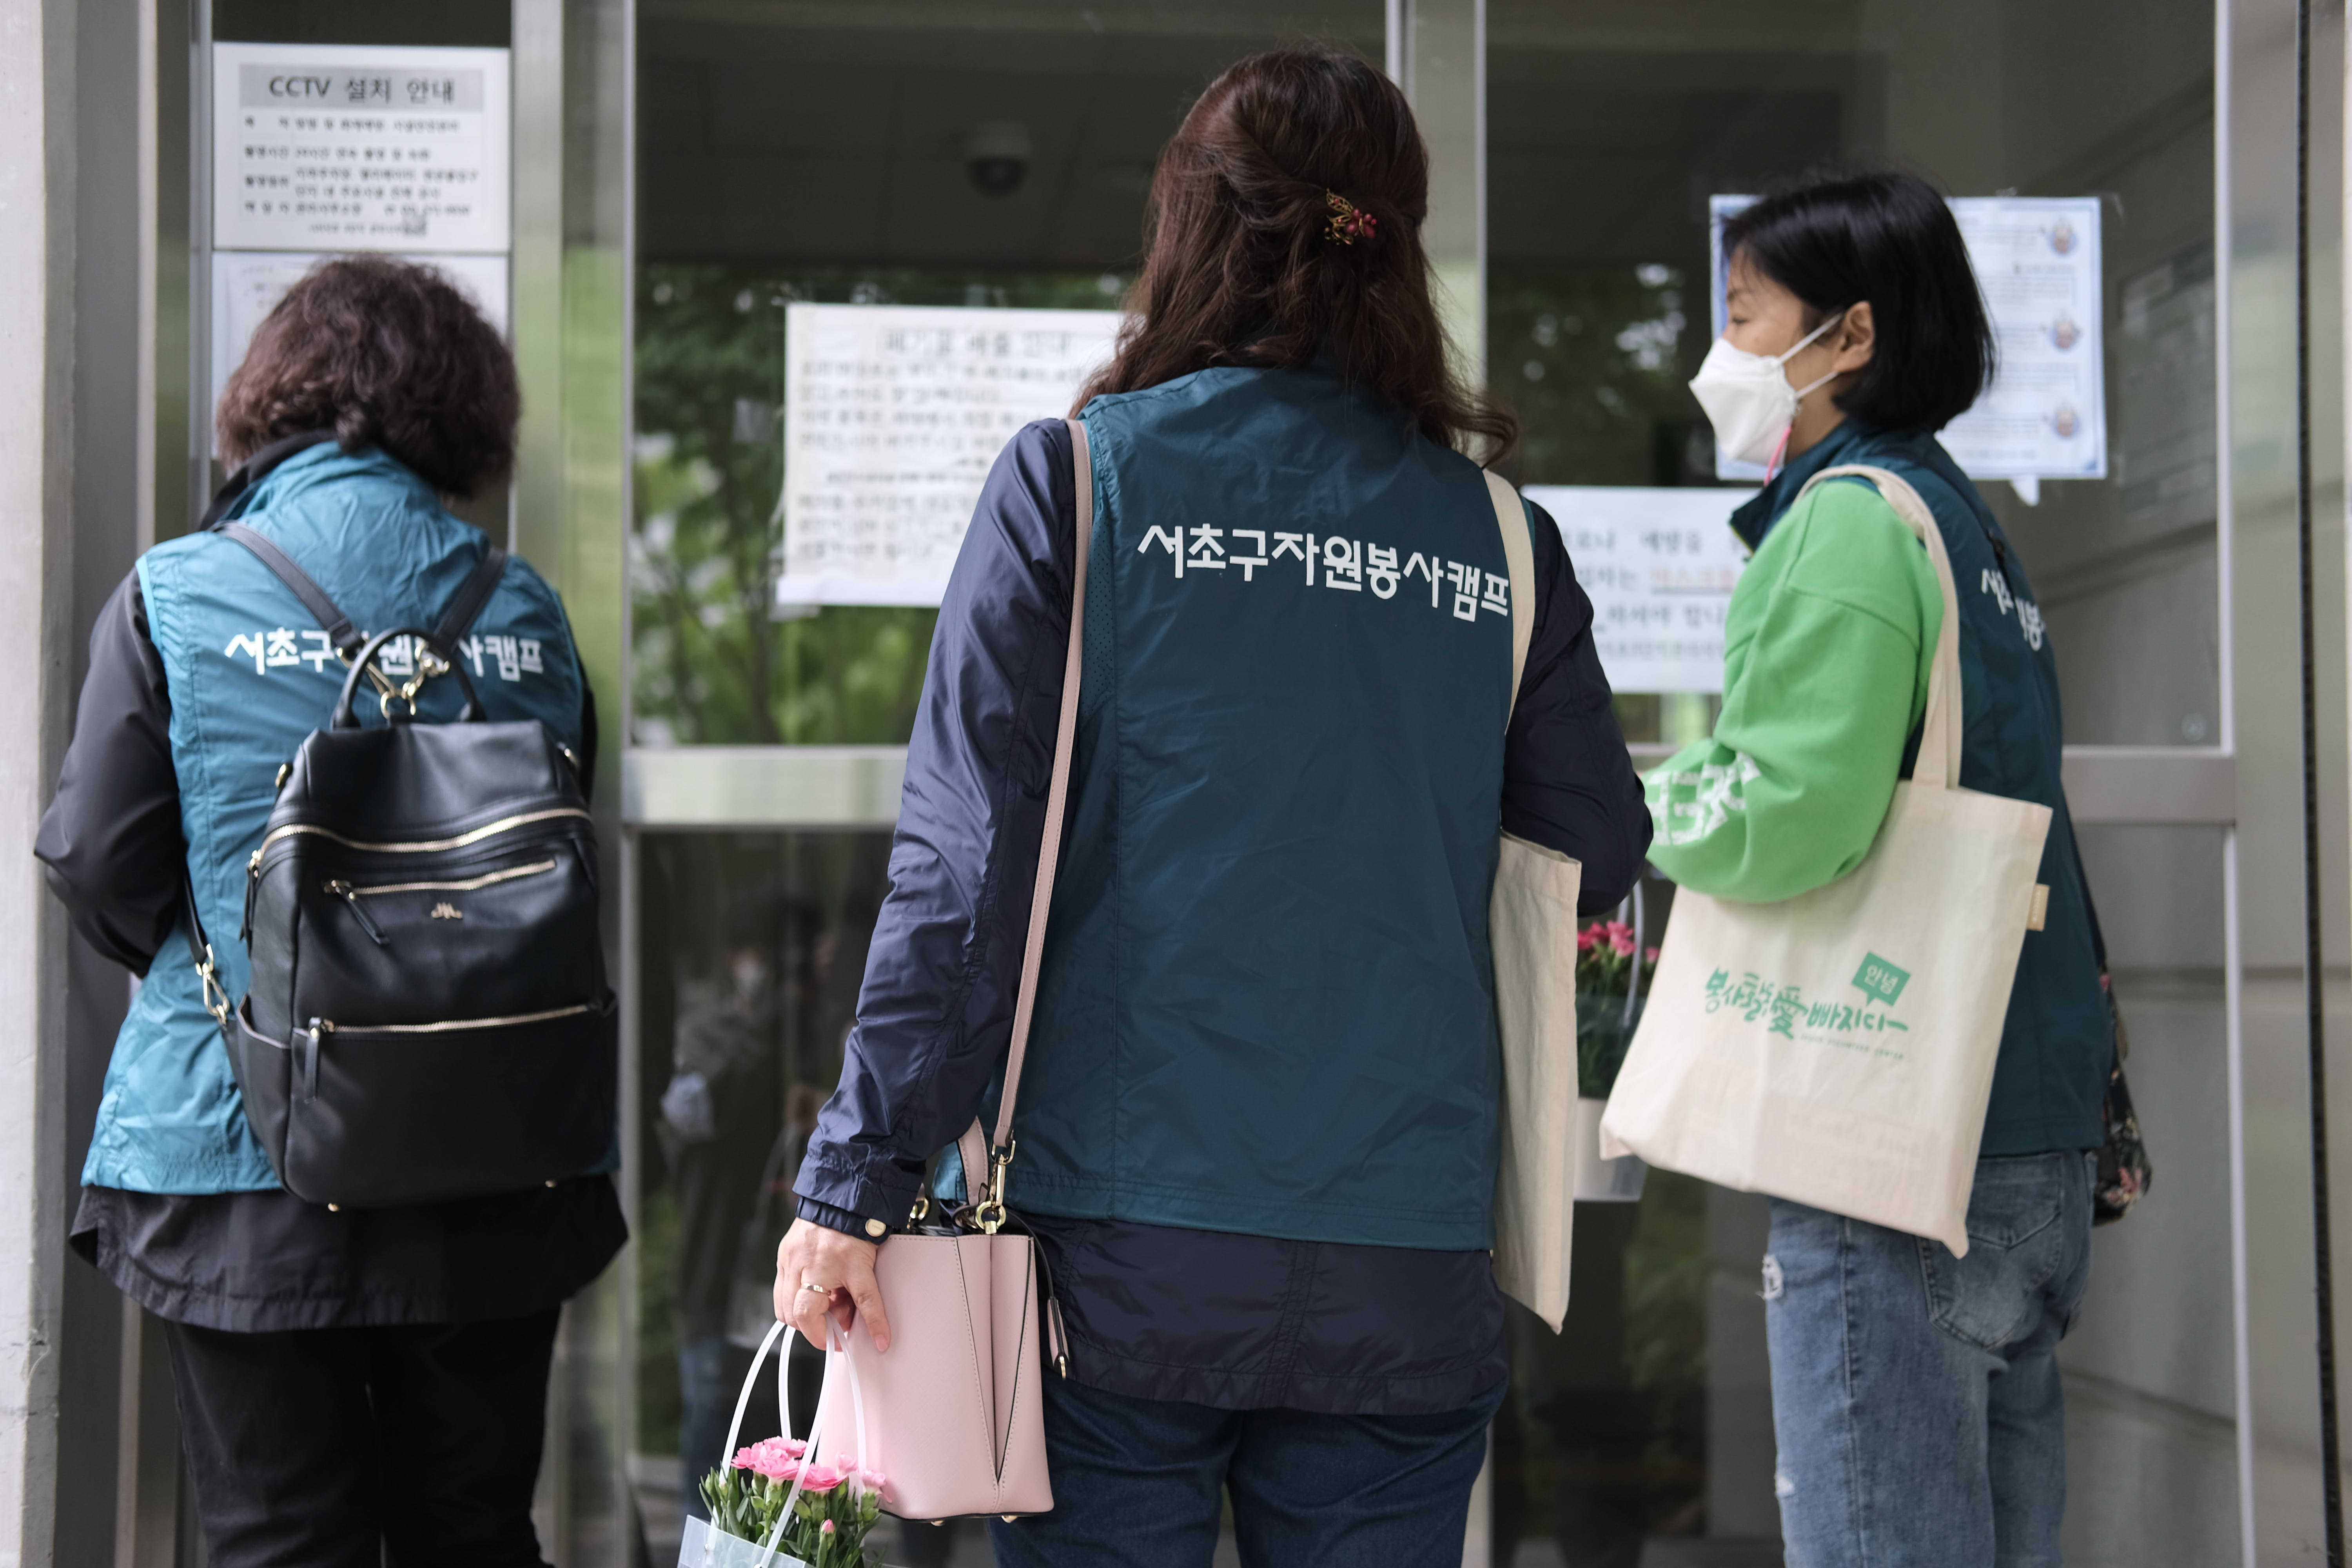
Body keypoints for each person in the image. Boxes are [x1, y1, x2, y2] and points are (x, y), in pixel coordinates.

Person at [773, 46, 1652, 1568]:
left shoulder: (1078, 485)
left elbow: (964, 877)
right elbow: (1598, 845)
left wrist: (855, 1183)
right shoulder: (1503, 541)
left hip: (1117, 1268)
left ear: (1192, 224)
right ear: (1396, 246)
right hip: (1406, 1256)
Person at [36, 256, 624, 1568]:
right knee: (473, 1534)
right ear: (465, 413)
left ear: (273, 394)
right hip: (496, 1148)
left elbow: (99, 859)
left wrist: (238, 966)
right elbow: (560, 850)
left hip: (244, 1155)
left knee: (279, 1542)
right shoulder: (523, 607)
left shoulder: (179, 591)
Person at [1647, 171, 2109, 1562]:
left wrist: (1626, 801)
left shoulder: (1849, 520)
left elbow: (1790, 810)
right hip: (2029, 1138)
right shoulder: (1962, 524)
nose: (1721, 352)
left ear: (1848, 335)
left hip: (1899, 1152)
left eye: (1744, 316)